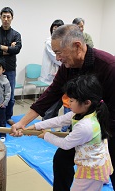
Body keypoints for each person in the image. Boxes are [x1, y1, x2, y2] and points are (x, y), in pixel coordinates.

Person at [11, 24, 115, 191]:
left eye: (59, 52)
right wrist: (23, 122)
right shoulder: (68, 67)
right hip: (84, 128)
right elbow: (51, 95)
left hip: (107, 130)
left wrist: (92, 134)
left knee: (109, 169)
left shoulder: (109, 66)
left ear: (77, 46)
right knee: (61, 160)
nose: (57, 58)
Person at [28, 75, 113, 191]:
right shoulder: (88, 111)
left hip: (91, 171)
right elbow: (61, 120)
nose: (68, 103)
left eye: (72, 100)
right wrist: (36, 126)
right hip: (95, 165)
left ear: (87, 102)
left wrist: (46, 135)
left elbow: (66, 144)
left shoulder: (85, 126)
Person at [0, 7, 22, 126]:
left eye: (8, 17)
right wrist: (9, 48)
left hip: (10, 68)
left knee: (10, 96)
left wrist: (1, 47)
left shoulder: (16, 34)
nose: (6, 19)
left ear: (12, 18)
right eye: (4, 17)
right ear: (0, 17)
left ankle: (8, 117)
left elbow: (17, 49)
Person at [39, 19, 64, 121]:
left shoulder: (63, 42)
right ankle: (45, 123)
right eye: (54, 29)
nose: (56, 32)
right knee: (52, 102)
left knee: (57, 102)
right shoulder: (49, 42)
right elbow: (56, 58)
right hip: (52, 75)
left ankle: (51, 123)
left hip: (59, 73)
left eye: (58, 29)